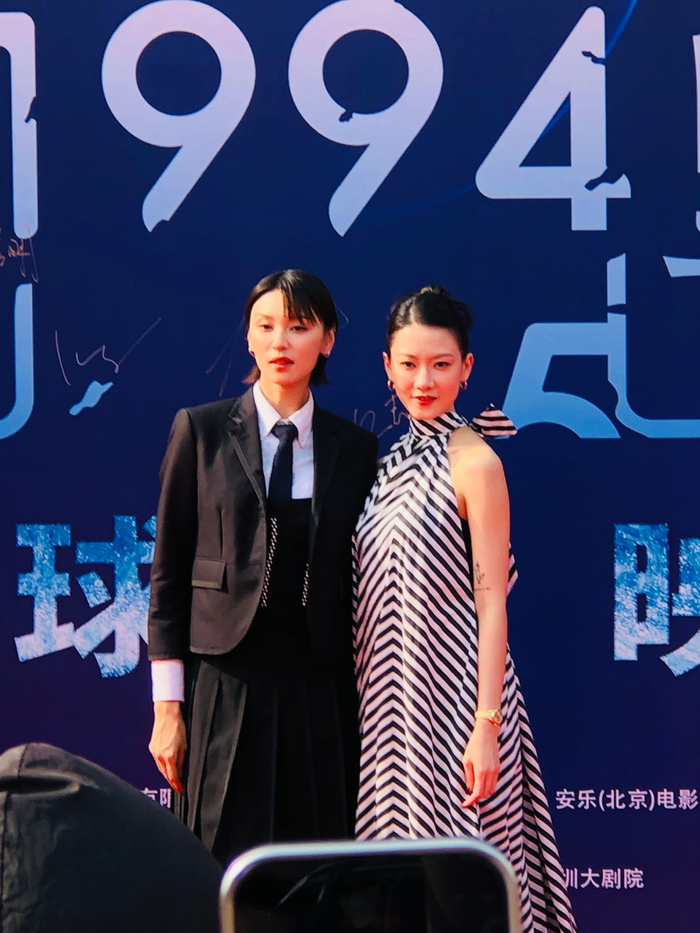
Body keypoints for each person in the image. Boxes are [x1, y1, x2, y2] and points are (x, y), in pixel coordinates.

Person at [352, 286, 577, 933]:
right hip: (389, 717)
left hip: (457, 711)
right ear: (387, 367)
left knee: (465, 898)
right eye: (409, 364)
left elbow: (492, 601)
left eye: (441, 364)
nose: (423, 381)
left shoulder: (476, 462)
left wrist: (486, 725)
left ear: (467, 368)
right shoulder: (383, 466)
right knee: (399, 902)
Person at [147, 269, 378, 866]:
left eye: (298, 328)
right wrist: (168, 710)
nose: (281, 342)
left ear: (327, 340)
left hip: (319, 692)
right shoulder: (201, 431)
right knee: (217, 869)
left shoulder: (355, 449)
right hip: (225, 687)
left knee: (316, 873)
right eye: (266, 326)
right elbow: (167, 577)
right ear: (248, 338)